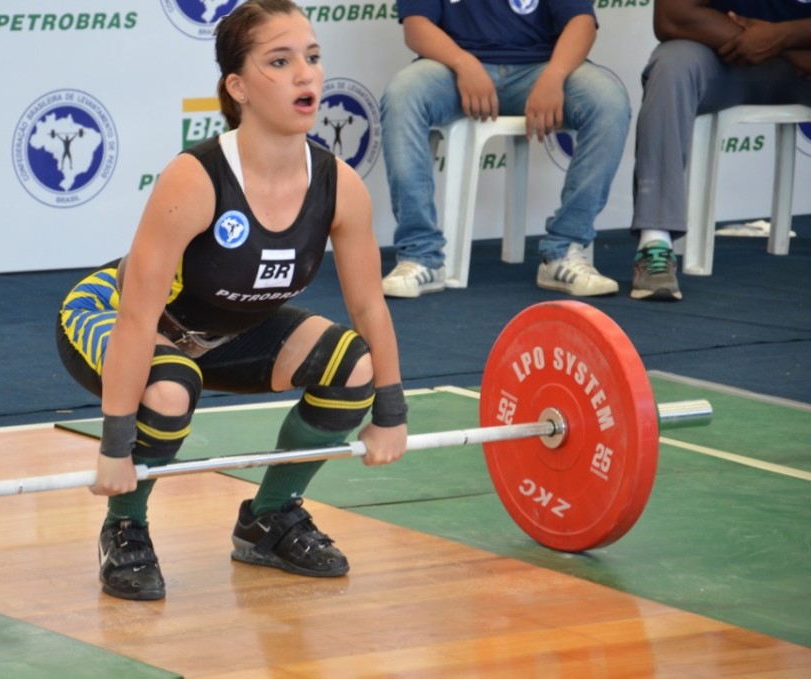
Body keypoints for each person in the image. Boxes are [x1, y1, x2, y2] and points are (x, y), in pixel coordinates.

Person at [55, 0, 409, 601]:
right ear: (238, 86)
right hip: (116, 317)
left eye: (313, 57)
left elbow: (370, 307)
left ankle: (269, 520)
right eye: (281, 60)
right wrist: (116, 448)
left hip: (231, 333)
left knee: (353, 367)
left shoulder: (338, 185)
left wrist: (390, 413)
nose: (306, 74)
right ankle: (126, 526)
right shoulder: (195, 179)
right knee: (169, 391)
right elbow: (138, 314)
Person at [380, 0, 631, 298]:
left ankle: (563, 251)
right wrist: (464, 63)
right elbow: (416, 26)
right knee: (402, 96)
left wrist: (555, 75)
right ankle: (421, 256)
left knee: (608, 102)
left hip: (541, 67)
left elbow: (581, 22)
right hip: (452, 69)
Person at [630, 0, 811, 301]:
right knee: (672, 66)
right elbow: (672, 16)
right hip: (722, 54)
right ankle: (655, 244)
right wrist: (780, 44)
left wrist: (783, 36)